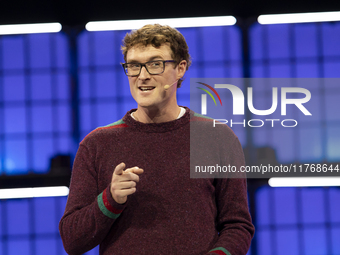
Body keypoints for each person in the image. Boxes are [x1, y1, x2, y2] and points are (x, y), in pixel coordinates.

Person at [59, 24, 254, 255]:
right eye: (133, 66)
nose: (142, 76)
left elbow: (237, 226)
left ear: (180, 68)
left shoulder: (217, 137)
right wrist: (110, 200)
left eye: (155, 64)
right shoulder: (96, 144)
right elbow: (72, 239)